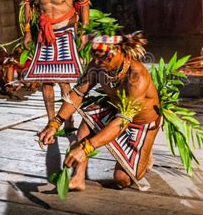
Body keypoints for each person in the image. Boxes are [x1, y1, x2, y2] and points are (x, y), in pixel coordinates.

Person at [38, 32, 160, 190]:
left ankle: (146, 155)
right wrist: (55, 123)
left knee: (122, 180)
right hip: (117, 111)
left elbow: (121, 122)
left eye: (103, 56)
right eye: (95, 56)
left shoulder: (137, 77)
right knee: (87, 123)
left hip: (140, 123)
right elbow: (77, 93)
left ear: (119, 51)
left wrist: (86, 148)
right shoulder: (96, 66)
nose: (96, 61)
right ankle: (78, 179)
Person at [22, 0, 90, 130]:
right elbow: (28, 2)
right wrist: (27, 31)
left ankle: (67, 120)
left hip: (66, 29)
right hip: (45, 31)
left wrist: (84, 31)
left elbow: (84, 3)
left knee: (63, 78)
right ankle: (51, 120)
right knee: (46, 79)